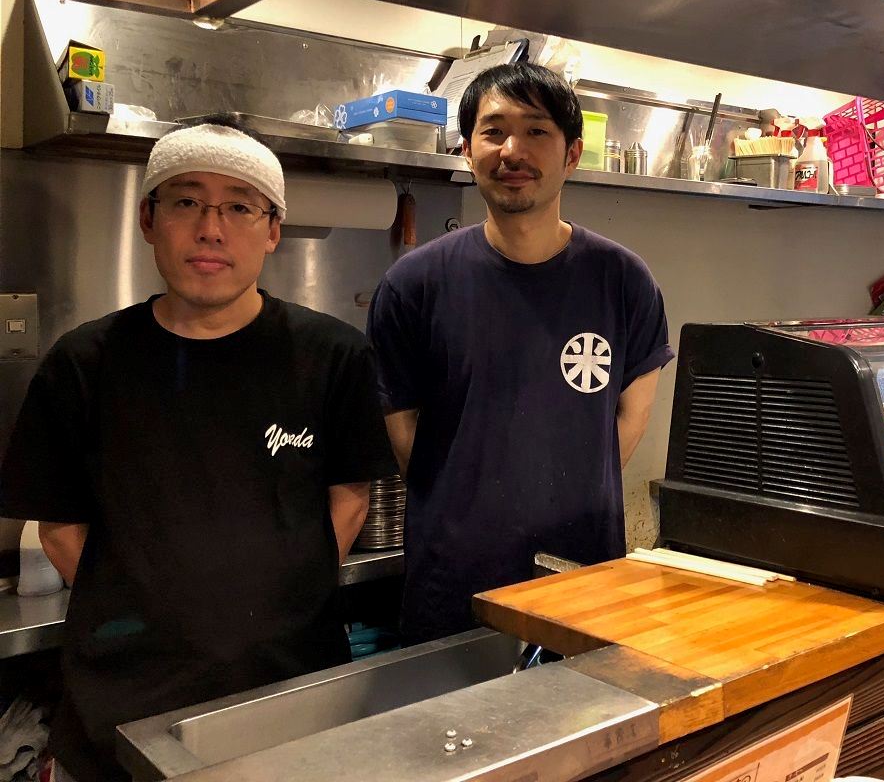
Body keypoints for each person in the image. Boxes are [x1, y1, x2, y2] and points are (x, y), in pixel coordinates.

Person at [0, 121, 397, 781]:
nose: (211, 228)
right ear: (148, 220)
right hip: (120, 720)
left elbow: (350, 498)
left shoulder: (333, 356)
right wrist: (161, 614)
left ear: (273, 230)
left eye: (240, 206)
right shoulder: (83, 363)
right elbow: (61, 528)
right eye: (186, 201)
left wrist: (276, 602)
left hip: (293, 703)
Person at [367, 63, 674, 644]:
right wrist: (469, 502)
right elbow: (404, 435)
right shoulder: (415, 284)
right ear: (465, 149)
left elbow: (628, 423)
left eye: (537, 131)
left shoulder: (623, 280)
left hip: (582, 579)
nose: (513, 150)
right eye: (493, 131)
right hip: (452, 588)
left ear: (573, 153)